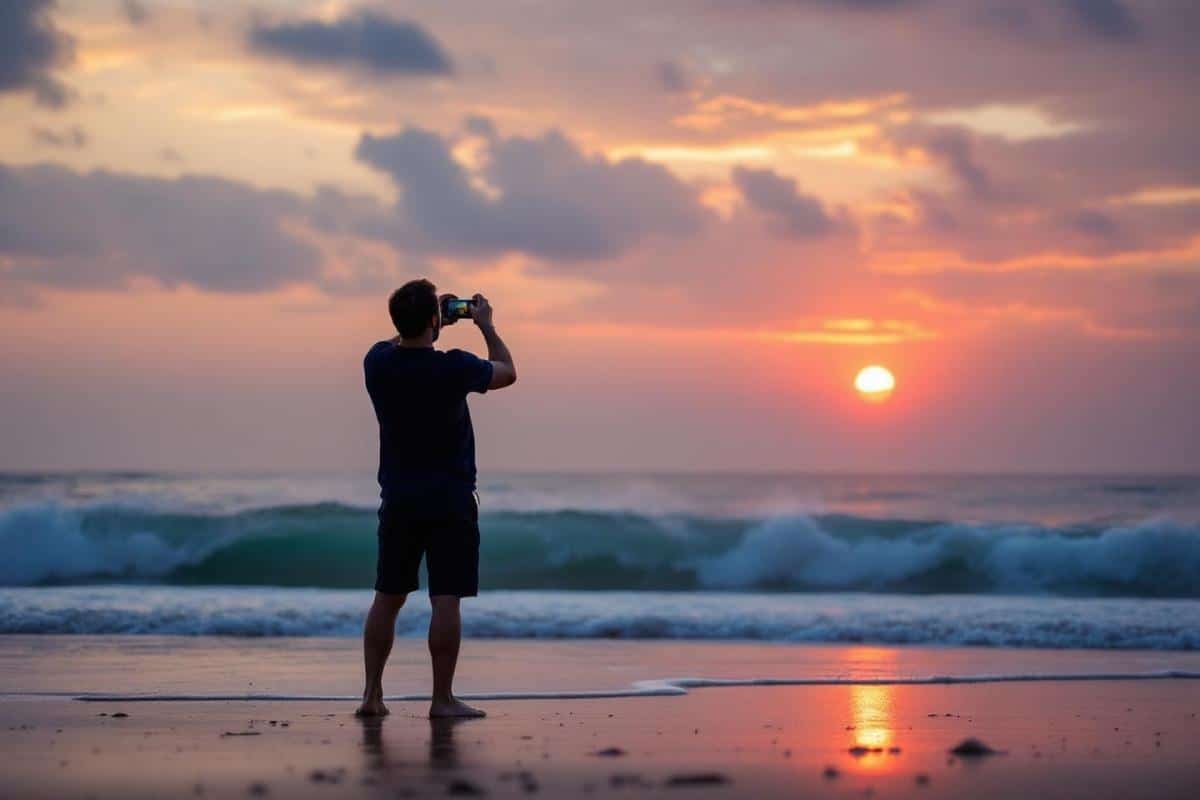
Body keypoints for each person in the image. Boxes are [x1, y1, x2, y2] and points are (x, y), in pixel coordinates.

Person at [357, 279, 517, 718]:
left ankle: (372, 696)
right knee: (445, 598)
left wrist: (427, 321)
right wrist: (485, 324)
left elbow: (395, 341)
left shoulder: (378, 363)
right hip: (450, 499)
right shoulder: (454, 367)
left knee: (387, 597)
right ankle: (441, 699)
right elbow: (506, 370)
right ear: (434, 320)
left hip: (400, 498)